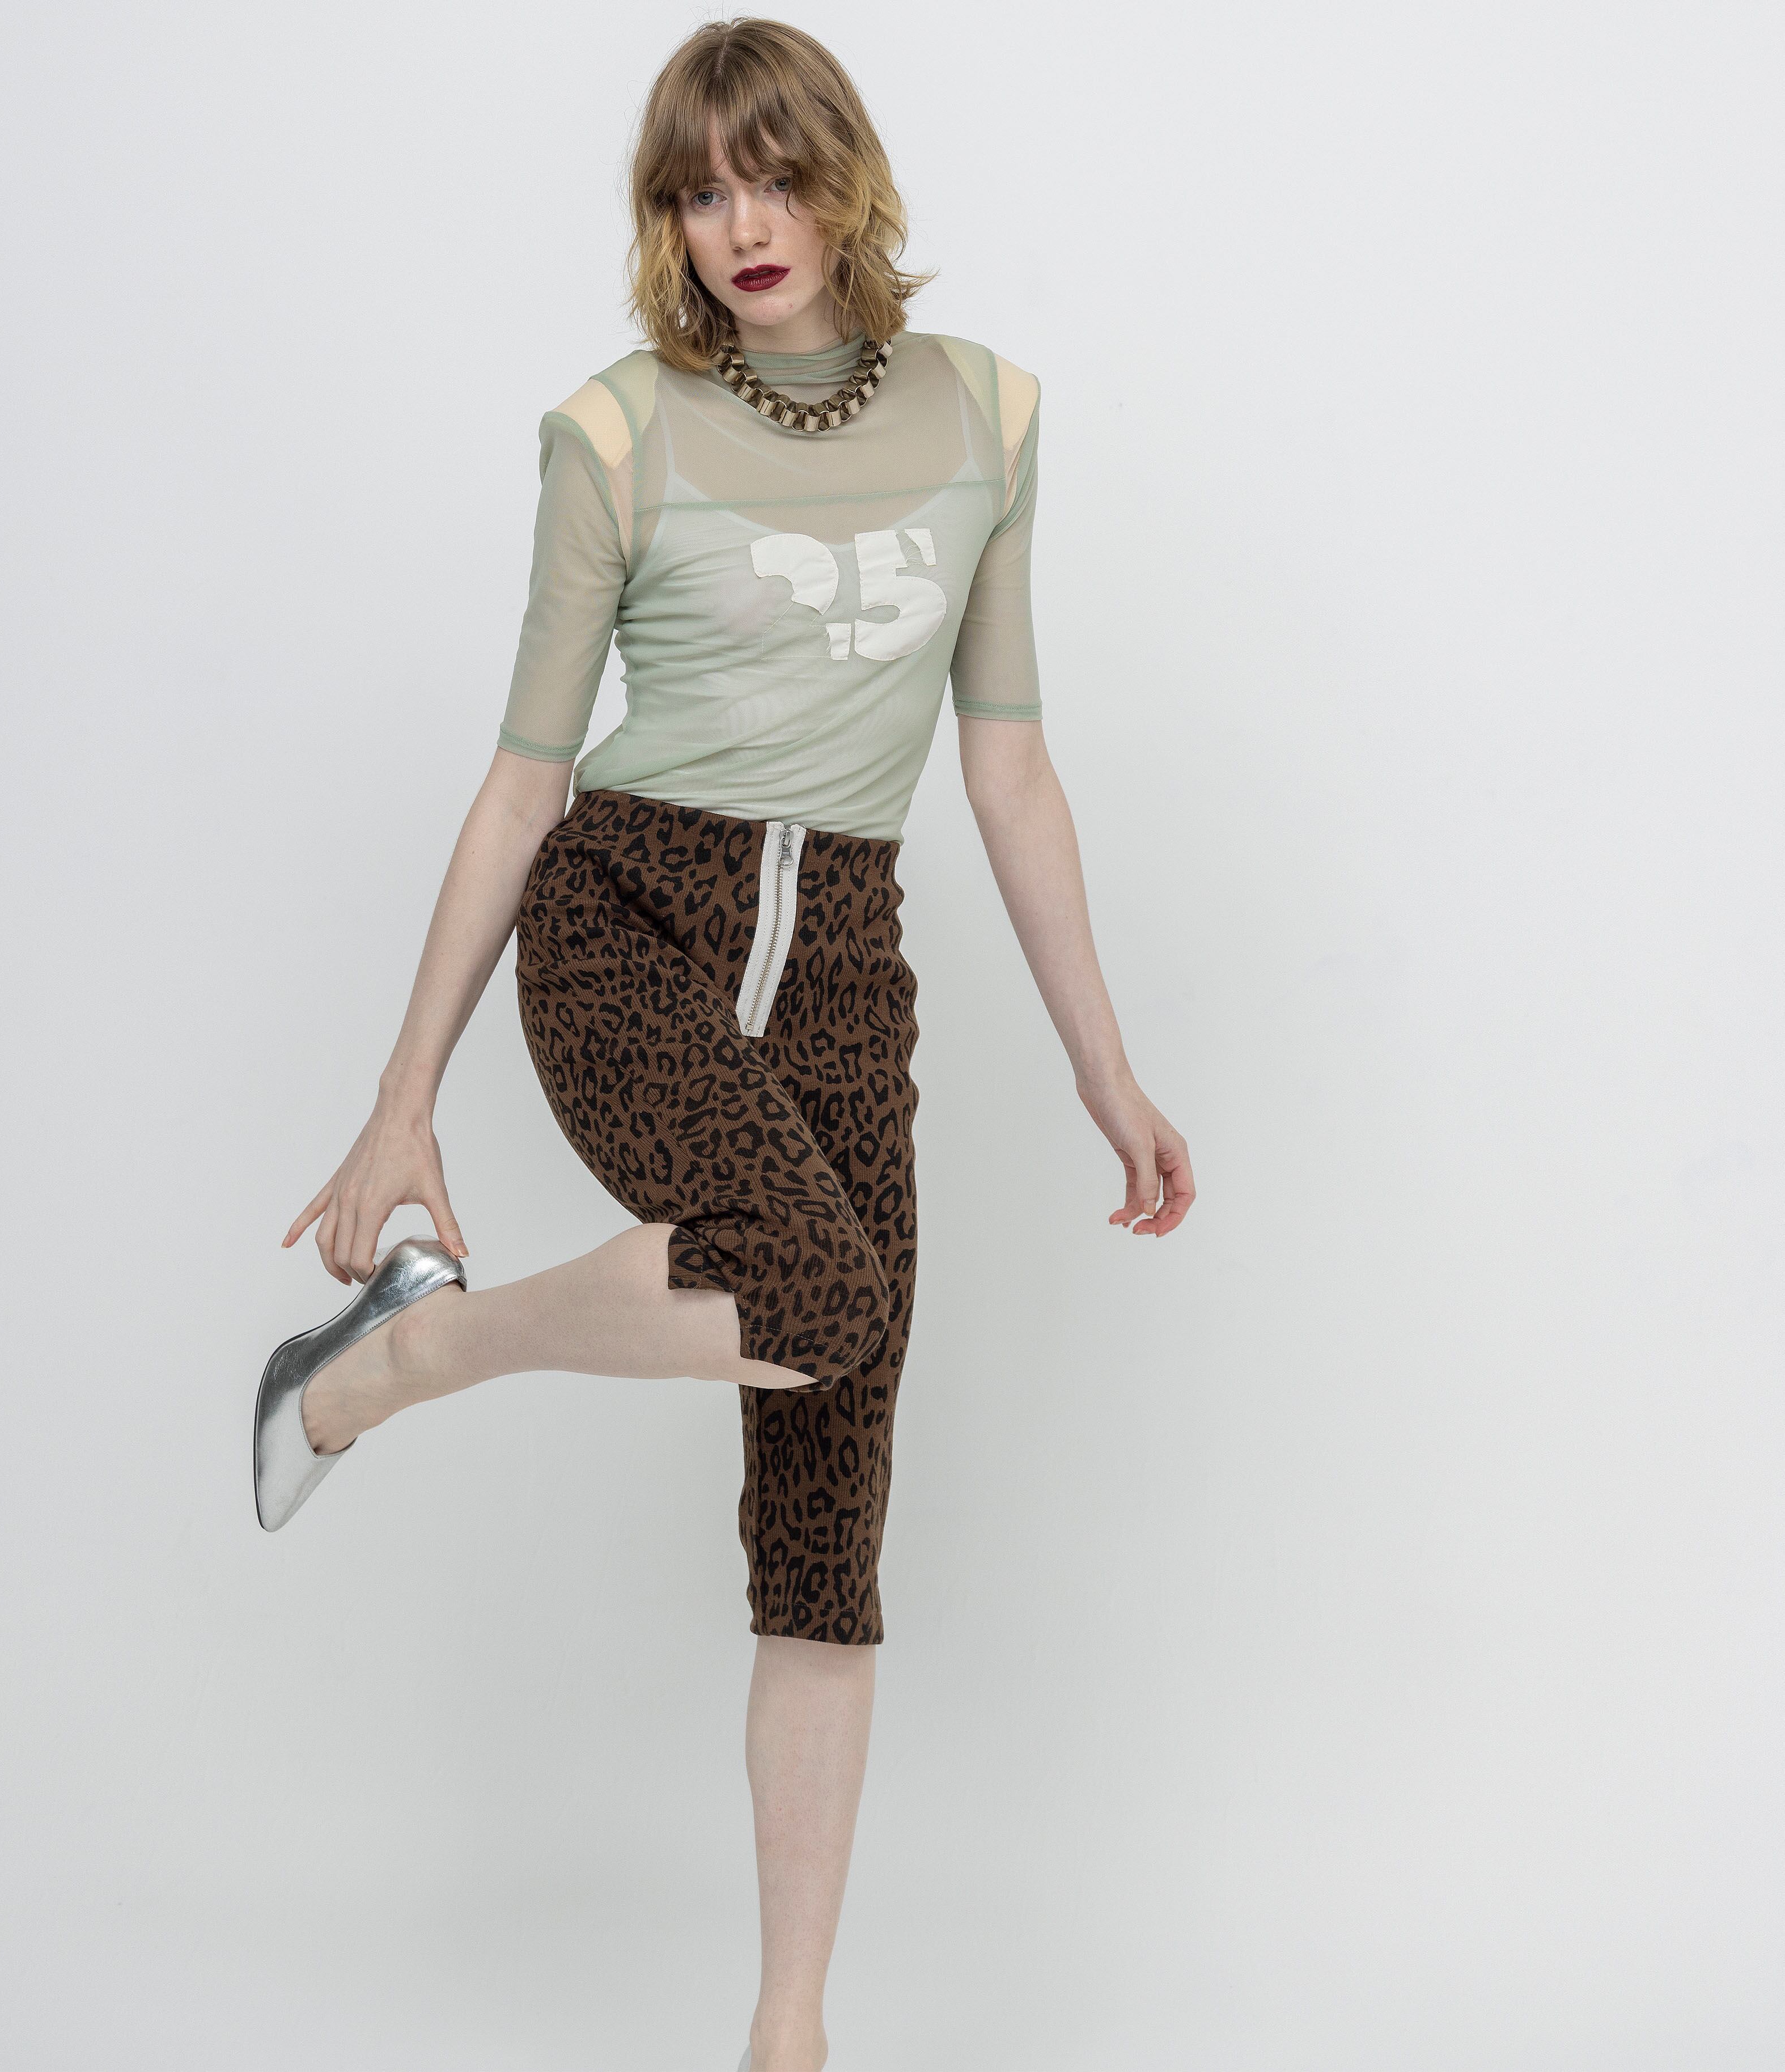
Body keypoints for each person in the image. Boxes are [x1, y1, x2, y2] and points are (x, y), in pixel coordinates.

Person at [251, 18, 1195, 2070]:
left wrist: (1103, 1070)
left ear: (847, 179)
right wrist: (403, 1103)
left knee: (831, 1516)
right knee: (817, 1296)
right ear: (664, 221)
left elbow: (1009, 768)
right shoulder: (615, 435)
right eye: (696, 190)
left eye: (773, 175)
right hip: (631, 920)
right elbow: (523, 783)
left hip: (842, 951)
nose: (740, 223)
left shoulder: (991, 416)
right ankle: (406, 1357)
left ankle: (787, 2036)